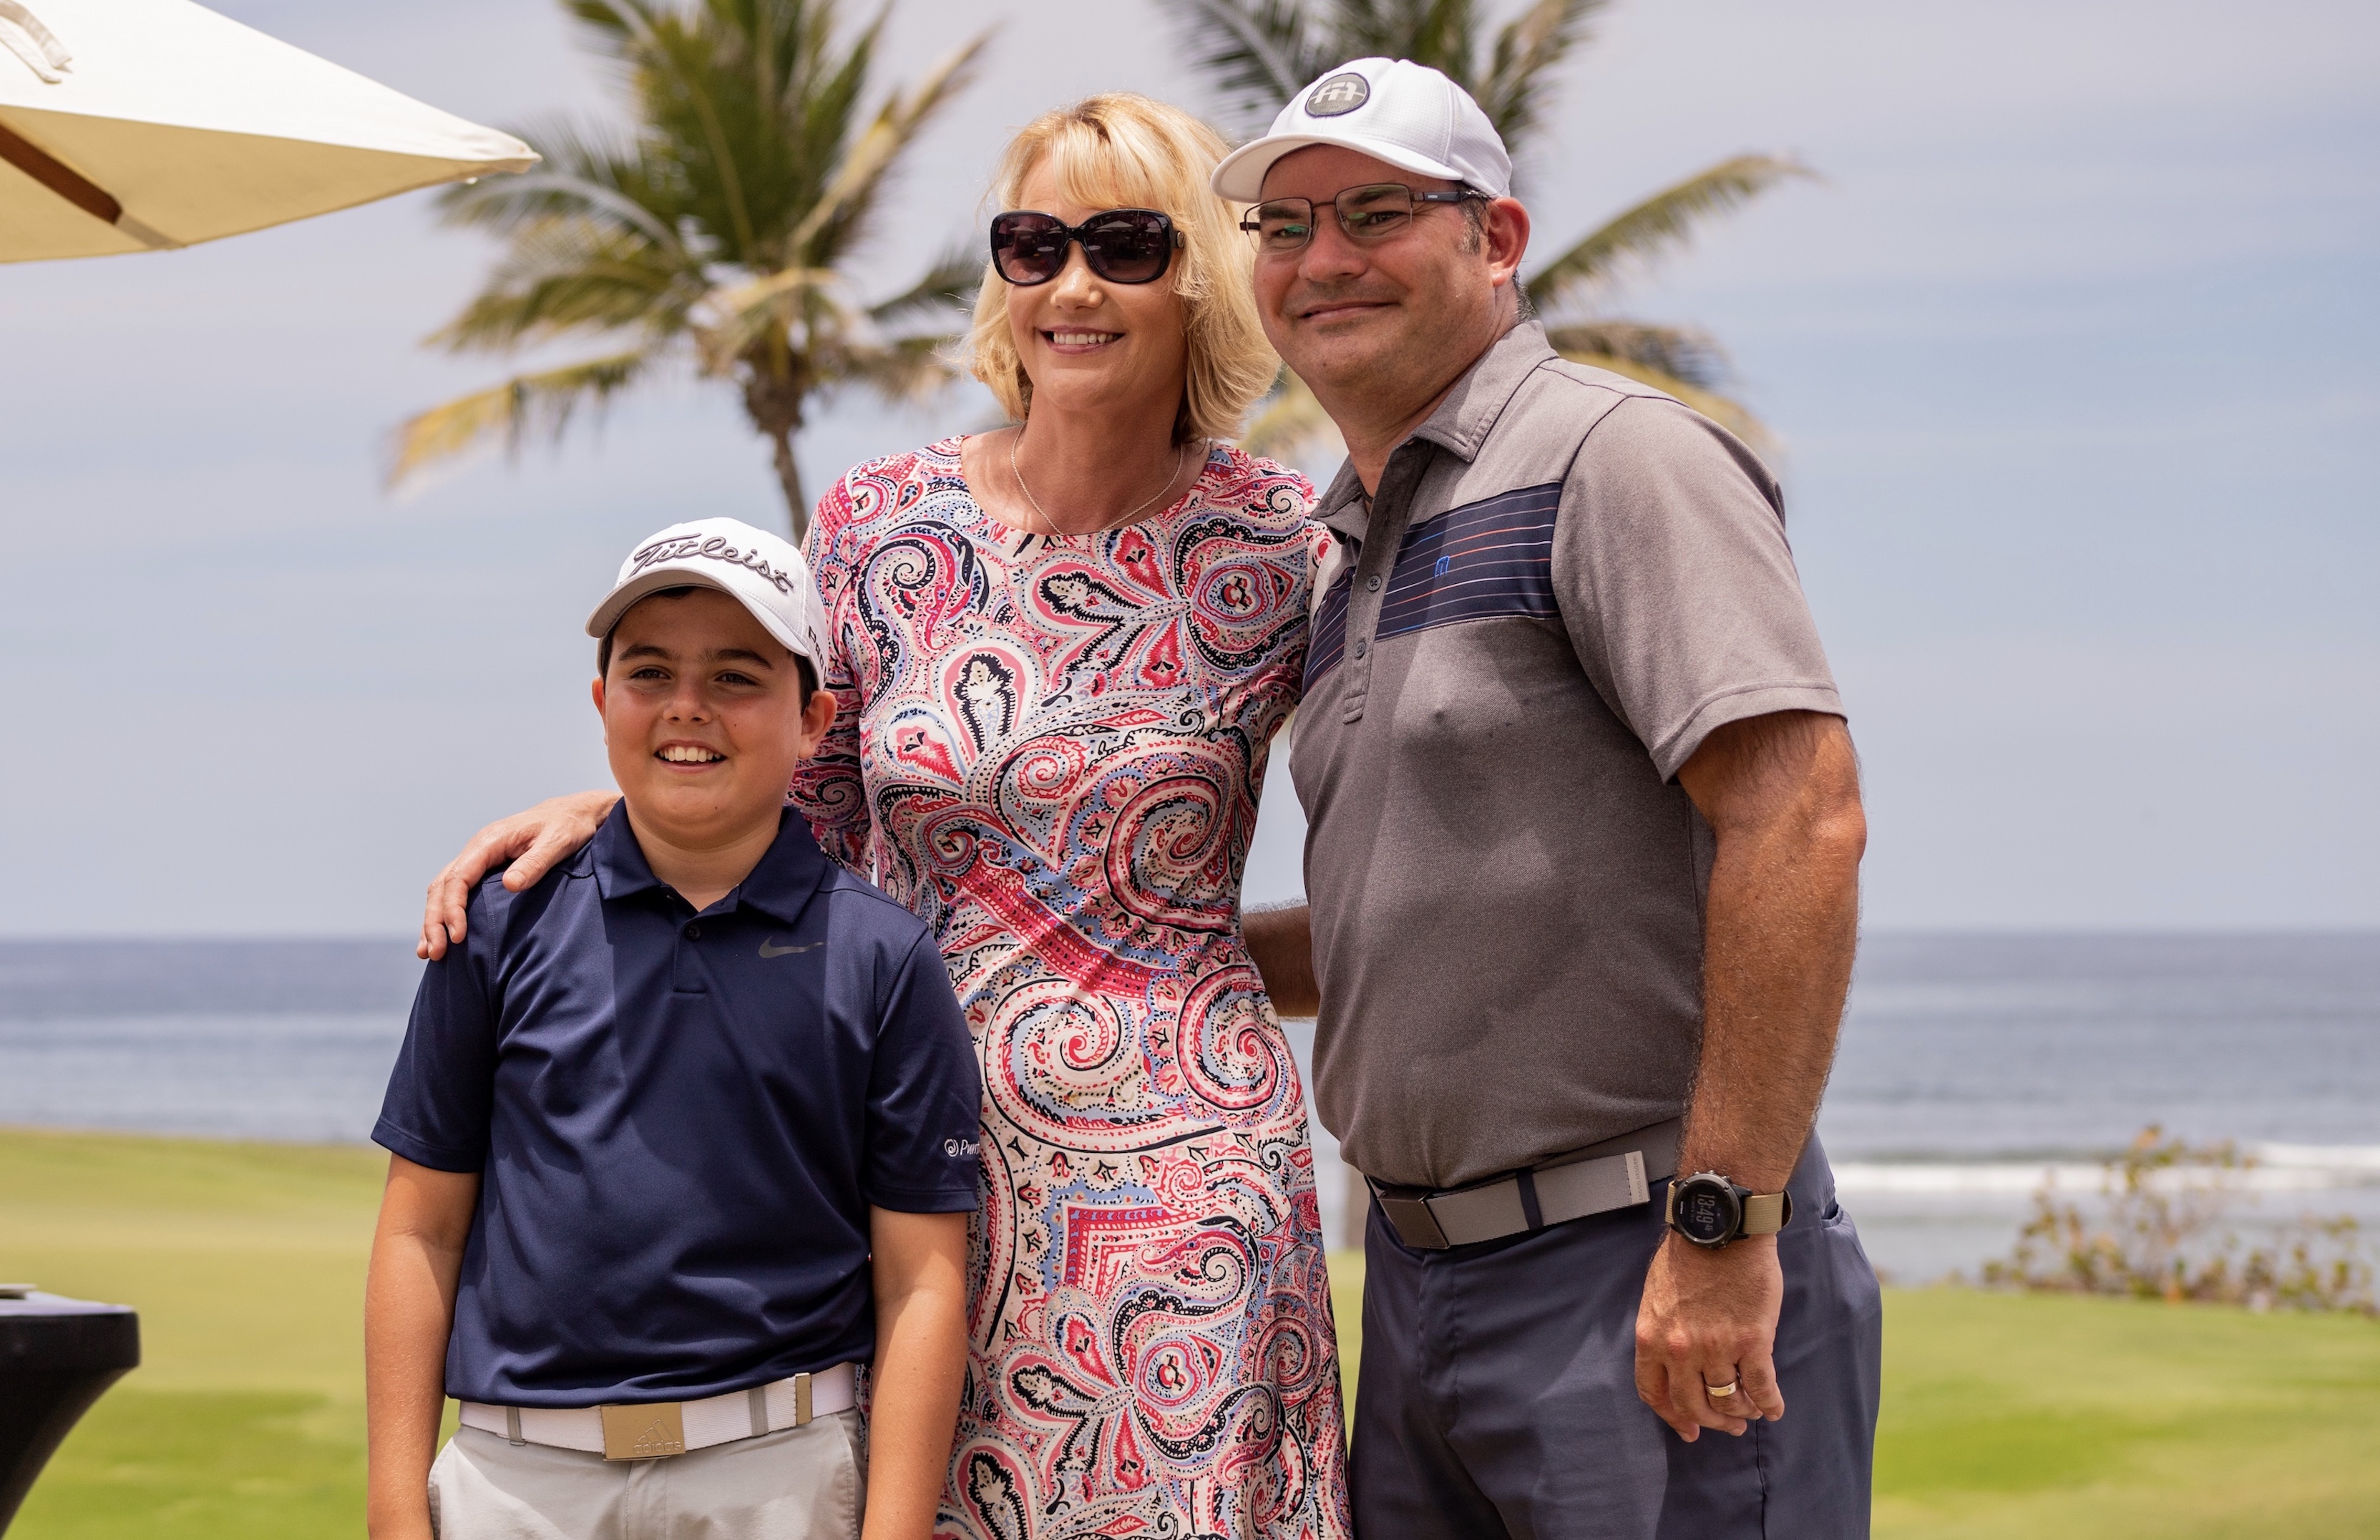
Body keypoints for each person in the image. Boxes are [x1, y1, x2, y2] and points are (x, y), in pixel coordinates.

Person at [415, 97, 1353, 1540]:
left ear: (1201, 277)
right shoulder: (880, 525)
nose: (1074, 285)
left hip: (1183, 1174)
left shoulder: (1281, 543)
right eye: (1033, 244)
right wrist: (612, 799)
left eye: (1124, 243)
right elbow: (783, 790)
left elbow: (1410, 810)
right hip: (885, 1150)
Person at [1213, 59, 1883, 1539]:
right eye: (1283, 224)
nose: (1321, 258)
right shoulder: (1340, 554)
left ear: (1495, 238)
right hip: (1412, 1282)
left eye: (1376, 211)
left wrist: (1720, 1229)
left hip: (1636, 1260)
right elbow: (1427, 918)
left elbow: (1800, 820)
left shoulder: (1613, 459)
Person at [365, 518, 982, 1540]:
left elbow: (922, 1281)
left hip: (778, 1472)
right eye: (649, 674)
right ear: (604, 703)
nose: (686, 708)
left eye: (737, 678)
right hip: (514, 1479)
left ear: (815, 720)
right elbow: (419, 1230)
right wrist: (396, 1511)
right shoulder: (500, 923)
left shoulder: (881, 957)